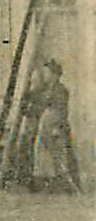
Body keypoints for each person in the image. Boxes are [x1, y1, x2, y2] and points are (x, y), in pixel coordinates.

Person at [29, 61, 77, 193]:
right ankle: (45, 183)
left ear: (55, 75)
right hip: (46, 122)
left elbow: (62, 110)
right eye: (45, 72)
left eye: (48, 73)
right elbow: (37, 99)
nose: (46, 75)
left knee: (57, 154)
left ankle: (67, 185)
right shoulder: (46, 89)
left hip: (55, 123)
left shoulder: (60, 90)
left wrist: (57, 128)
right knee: (42, 151)